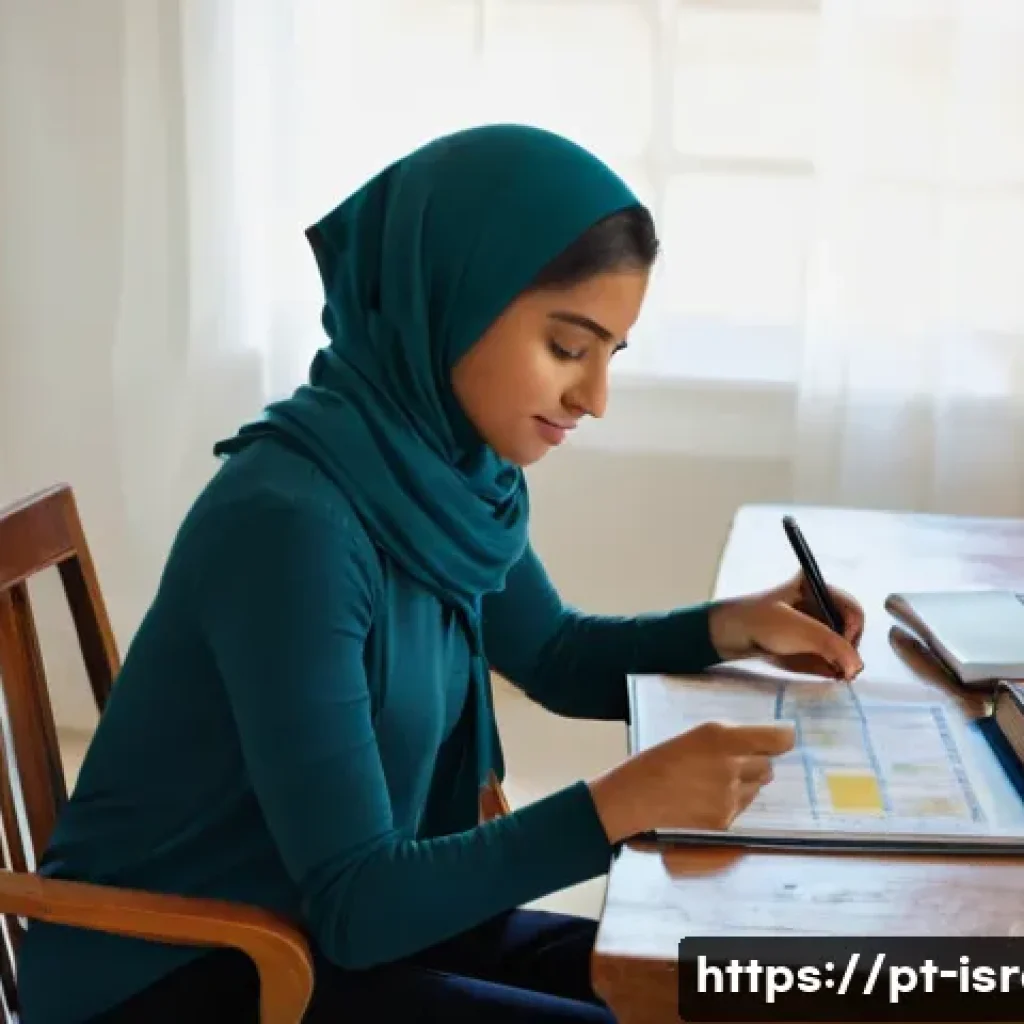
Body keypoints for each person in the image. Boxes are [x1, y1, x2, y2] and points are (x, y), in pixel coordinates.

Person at [17, 124, 865, 1023]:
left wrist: (736, 624)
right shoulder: (290, 526)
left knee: (729, 989)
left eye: (611, 356)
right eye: (568, 348)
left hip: (331, 926)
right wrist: (616, 805)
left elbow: (557, 654)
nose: (593, 399)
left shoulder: (448, 472)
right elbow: (359, 905)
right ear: (453, 297)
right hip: (187, 968)